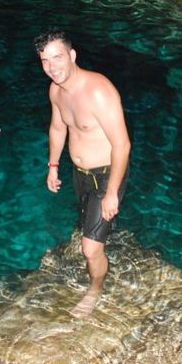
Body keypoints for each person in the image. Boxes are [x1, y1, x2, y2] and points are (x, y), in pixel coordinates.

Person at [35, 30, 131, 318]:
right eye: (45, 60)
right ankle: (102, 241)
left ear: (72, 55)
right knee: (87, 230)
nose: (52, 67)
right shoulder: (55, 90)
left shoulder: (98, 91)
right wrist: (53, 165)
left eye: (57, 57)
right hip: (80, 173)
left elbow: (122, 144)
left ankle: (95, 289)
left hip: (106, 173)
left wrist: (112, 192)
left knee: (89, 249)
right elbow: (58, 128)